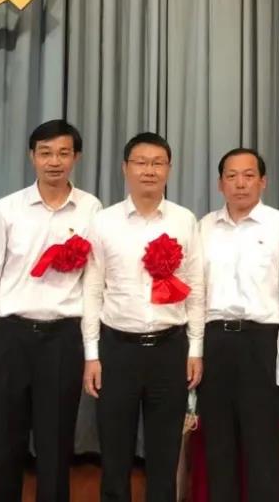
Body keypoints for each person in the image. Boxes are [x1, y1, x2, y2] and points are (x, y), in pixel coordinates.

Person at [0, 120, 103, 502]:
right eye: (45, 153)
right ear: (32, 157)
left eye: (63, 153)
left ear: (76, 157)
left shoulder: (92, 209)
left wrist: (91, 352)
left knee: (56, 446)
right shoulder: (6, 209)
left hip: (63, 338)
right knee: (4, 445)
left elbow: (93, 287)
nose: (54, 162)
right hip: (10, 337)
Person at [85, 131, 204, 502]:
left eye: (157, 163)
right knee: (114, 451)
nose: (149, 170)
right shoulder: (104, 222)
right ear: (125, 168)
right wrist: (91, 355)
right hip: (116, 349)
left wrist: (195, 349)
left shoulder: (185, 220)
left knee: (164, 453)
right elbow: (92, 291)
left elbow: (196, 288)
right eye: (141, 162)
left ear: (169, 168)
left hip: (170, 348)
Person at [197, 147, 279, 502]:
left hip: (262, 344)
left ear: (263, 181)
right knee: (218, 446)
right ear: (220, 184)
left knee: (263, 449)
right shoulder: (204, 228)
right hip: (215, 343)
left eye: (248, 176)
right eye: (231, 176)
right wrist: (194, 351)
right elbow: (195, 295)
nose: (240, 184)